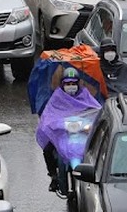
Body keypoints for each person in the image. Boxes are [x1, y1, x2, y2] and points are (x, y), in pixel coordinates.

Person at [37, 67, 103, 199]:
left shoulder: (85, 96)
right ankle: (54, 177)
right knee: (47, 148)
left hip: (82, 133)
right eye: (68, 84)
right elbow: (49, 118)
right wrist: (60, 125)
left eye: (73, 83)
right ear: (62, 84)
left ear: (78, 83)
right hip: (62, 134)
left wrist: (88, 125)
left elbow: (97, 112)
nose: (71, 86)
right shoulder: (57, 97)